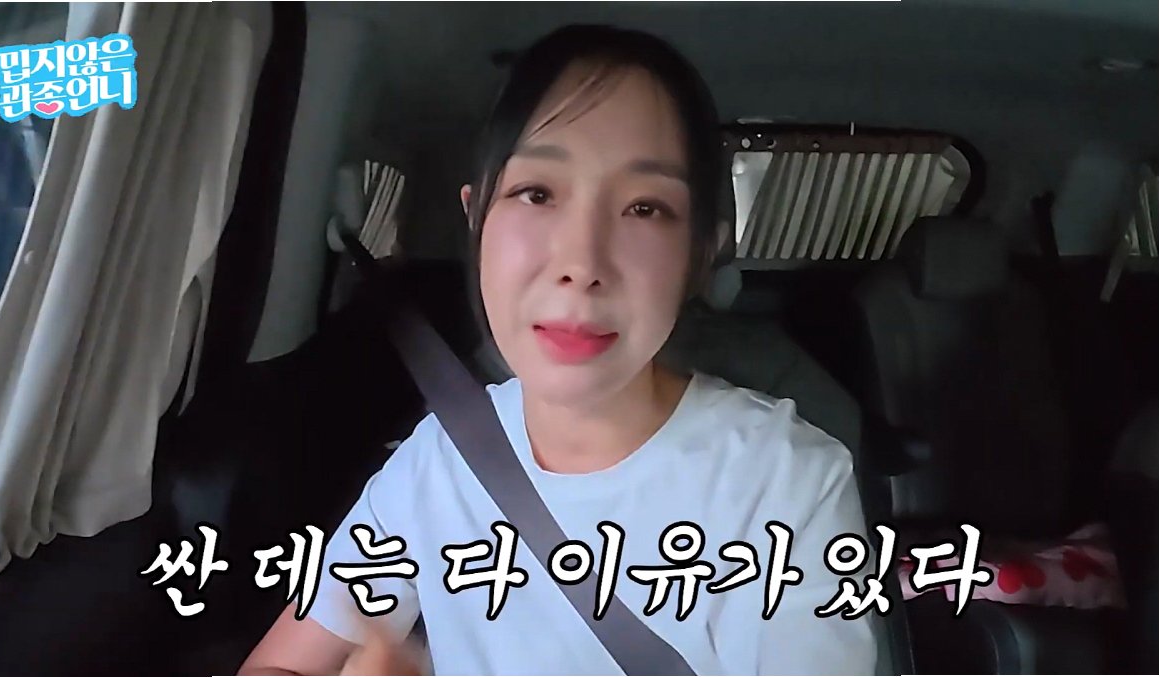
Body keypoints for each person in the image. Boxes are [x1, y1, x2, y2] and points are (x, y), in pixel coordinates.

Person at [239, 23, 877, 676]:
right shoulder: (438, 461)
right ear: (476, 220)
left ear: (699, 255)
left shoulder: (782, 483)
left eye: (645, 208)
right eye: (536, 193)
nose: (581, 263)